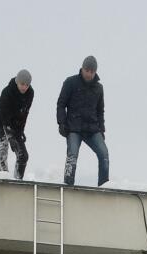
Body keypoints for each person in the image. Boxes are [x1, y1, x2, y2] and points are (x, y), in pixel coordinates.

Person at [57, 55, 108, 186]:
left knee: (104, 154)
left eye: (92, 71)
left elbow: (100, 111)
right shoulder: (70, 82)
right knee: (72, 155)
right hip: (74, 128)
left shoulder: (99, 88)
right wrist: (62, 123)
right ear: (82, 68)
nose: (89, 74)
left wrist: (101, 130)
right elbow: (61, 104)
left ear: (95, 72)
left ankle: (104, 186)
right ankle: (68, 184)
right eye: (87, 70)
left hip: (92, 129)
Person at [0, 69, 35, 180]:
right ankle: (2, 172)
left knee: (23, 155)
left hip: (14, 123)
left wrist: (20, 131)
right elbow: (4, 115)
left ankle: (18, 179)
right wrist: (10, 134)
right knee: (4, 143)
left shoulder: (30, 93)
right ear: (17, 81)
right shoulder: (7, 92)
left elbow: (24, 113)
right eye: (22, 84)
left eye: (27, 85)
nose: (24, 87)